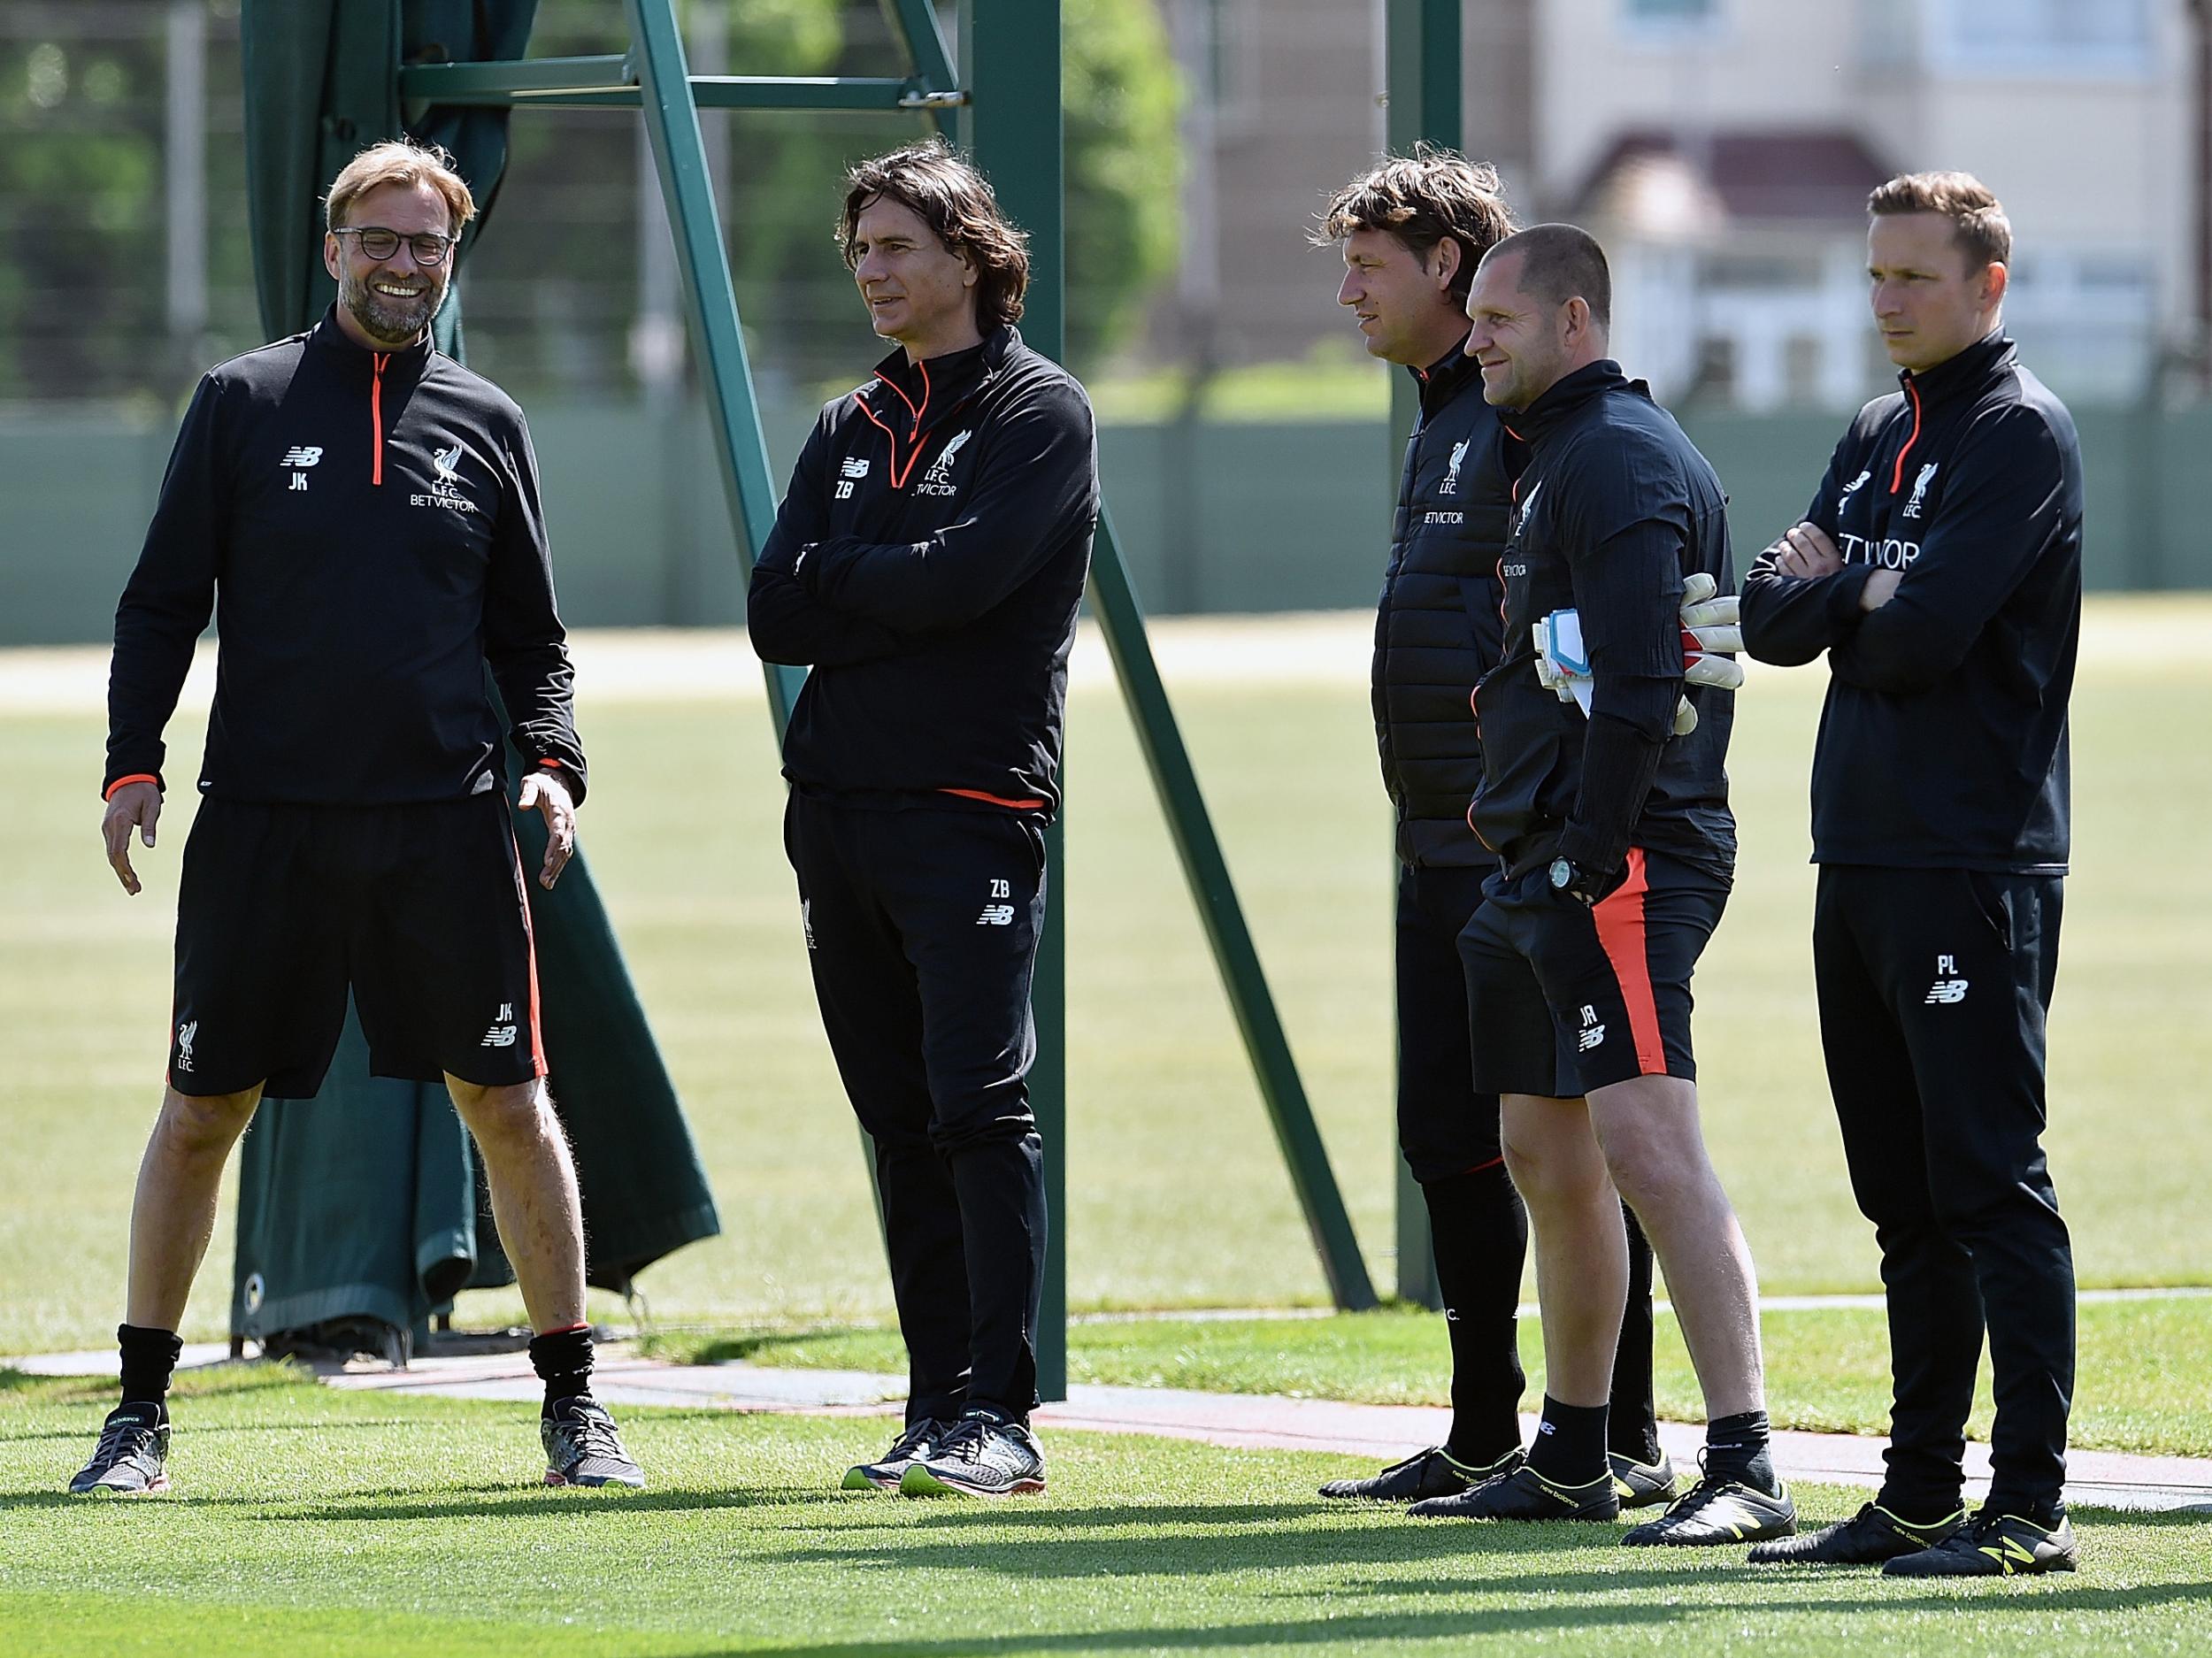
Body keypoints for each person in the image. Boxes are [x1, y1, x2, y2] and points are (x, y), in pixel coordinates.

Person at [74, 142, 641, 1496]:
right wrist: (130, 762)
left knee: (507, 1101)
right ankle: (138, 1417)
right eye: (378, 241)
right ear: (333, 251)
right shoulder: (241, 401)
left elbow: (533, 640)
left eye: (427, 245)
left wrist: (553, 760)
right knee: (202, 1110)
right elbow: (162, 602)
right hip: (266, 823)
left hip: (444, 828)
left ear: (452, 259)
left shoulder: (491, 424)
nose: (402, 264)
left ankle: (575, 1407)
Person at [1308, 148, 1677, 1516]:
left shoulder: (1527, 415)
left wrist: (1556, 809)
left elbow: (1584, 635)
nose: (1348, 290)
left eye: (1368, 264)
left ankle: (1620, 1430)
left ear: (1449, 270)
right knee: (1456, 1135)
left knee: (1567, 1141)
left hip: (1516, 839)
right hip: (1440, 831)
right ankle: (1481, 1429)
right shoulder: (1442, 414)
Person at [1740, 173, 2082, 1577]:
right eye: (1875, 278)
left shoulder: (2021, 437)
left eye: (1914, 280)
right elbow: (1764, 615)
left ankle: (2032, 1508)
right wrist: (1848, 595)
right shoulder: (1881, 426)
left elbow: (1925, 637)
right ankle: (1921, 1490)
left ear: (1987, 285)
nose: (1887, 302)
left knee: (1990, 1183)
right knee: (1902, 1200)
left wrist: (1854, 598)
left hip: (1970, 858)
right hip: (1860, 852)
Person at [747, 139, 1097, 1499]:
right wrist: (876, 582)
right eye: (862, 251)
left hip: (971, 807)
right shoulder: (848, 421)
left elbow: (972, 582)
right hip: (837, 809)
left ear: (967, 254)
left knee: (976, 1103)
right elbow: (777, 606)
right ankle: (933, 1401)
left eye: (897, 246)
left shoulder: (1037, 411)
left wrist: (853, 580)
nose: (873, 272)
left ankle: (1000, 1417)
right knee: (897, 1114)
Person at [1445, 224, 1793, 1547]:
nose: (1477, 338)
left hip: (1622, 855)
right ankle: (1575, 1451)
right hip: (1547, 857)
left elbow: (1646, 677)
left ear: (1576, 320)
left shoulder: (1622, 458)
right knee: (1547, 1150)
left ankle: (1747, 1457)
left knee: (1651, 1144)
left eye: (1499, 317)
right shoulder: (1554, 456)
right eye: (1473, 316)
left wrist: (1595, 846)